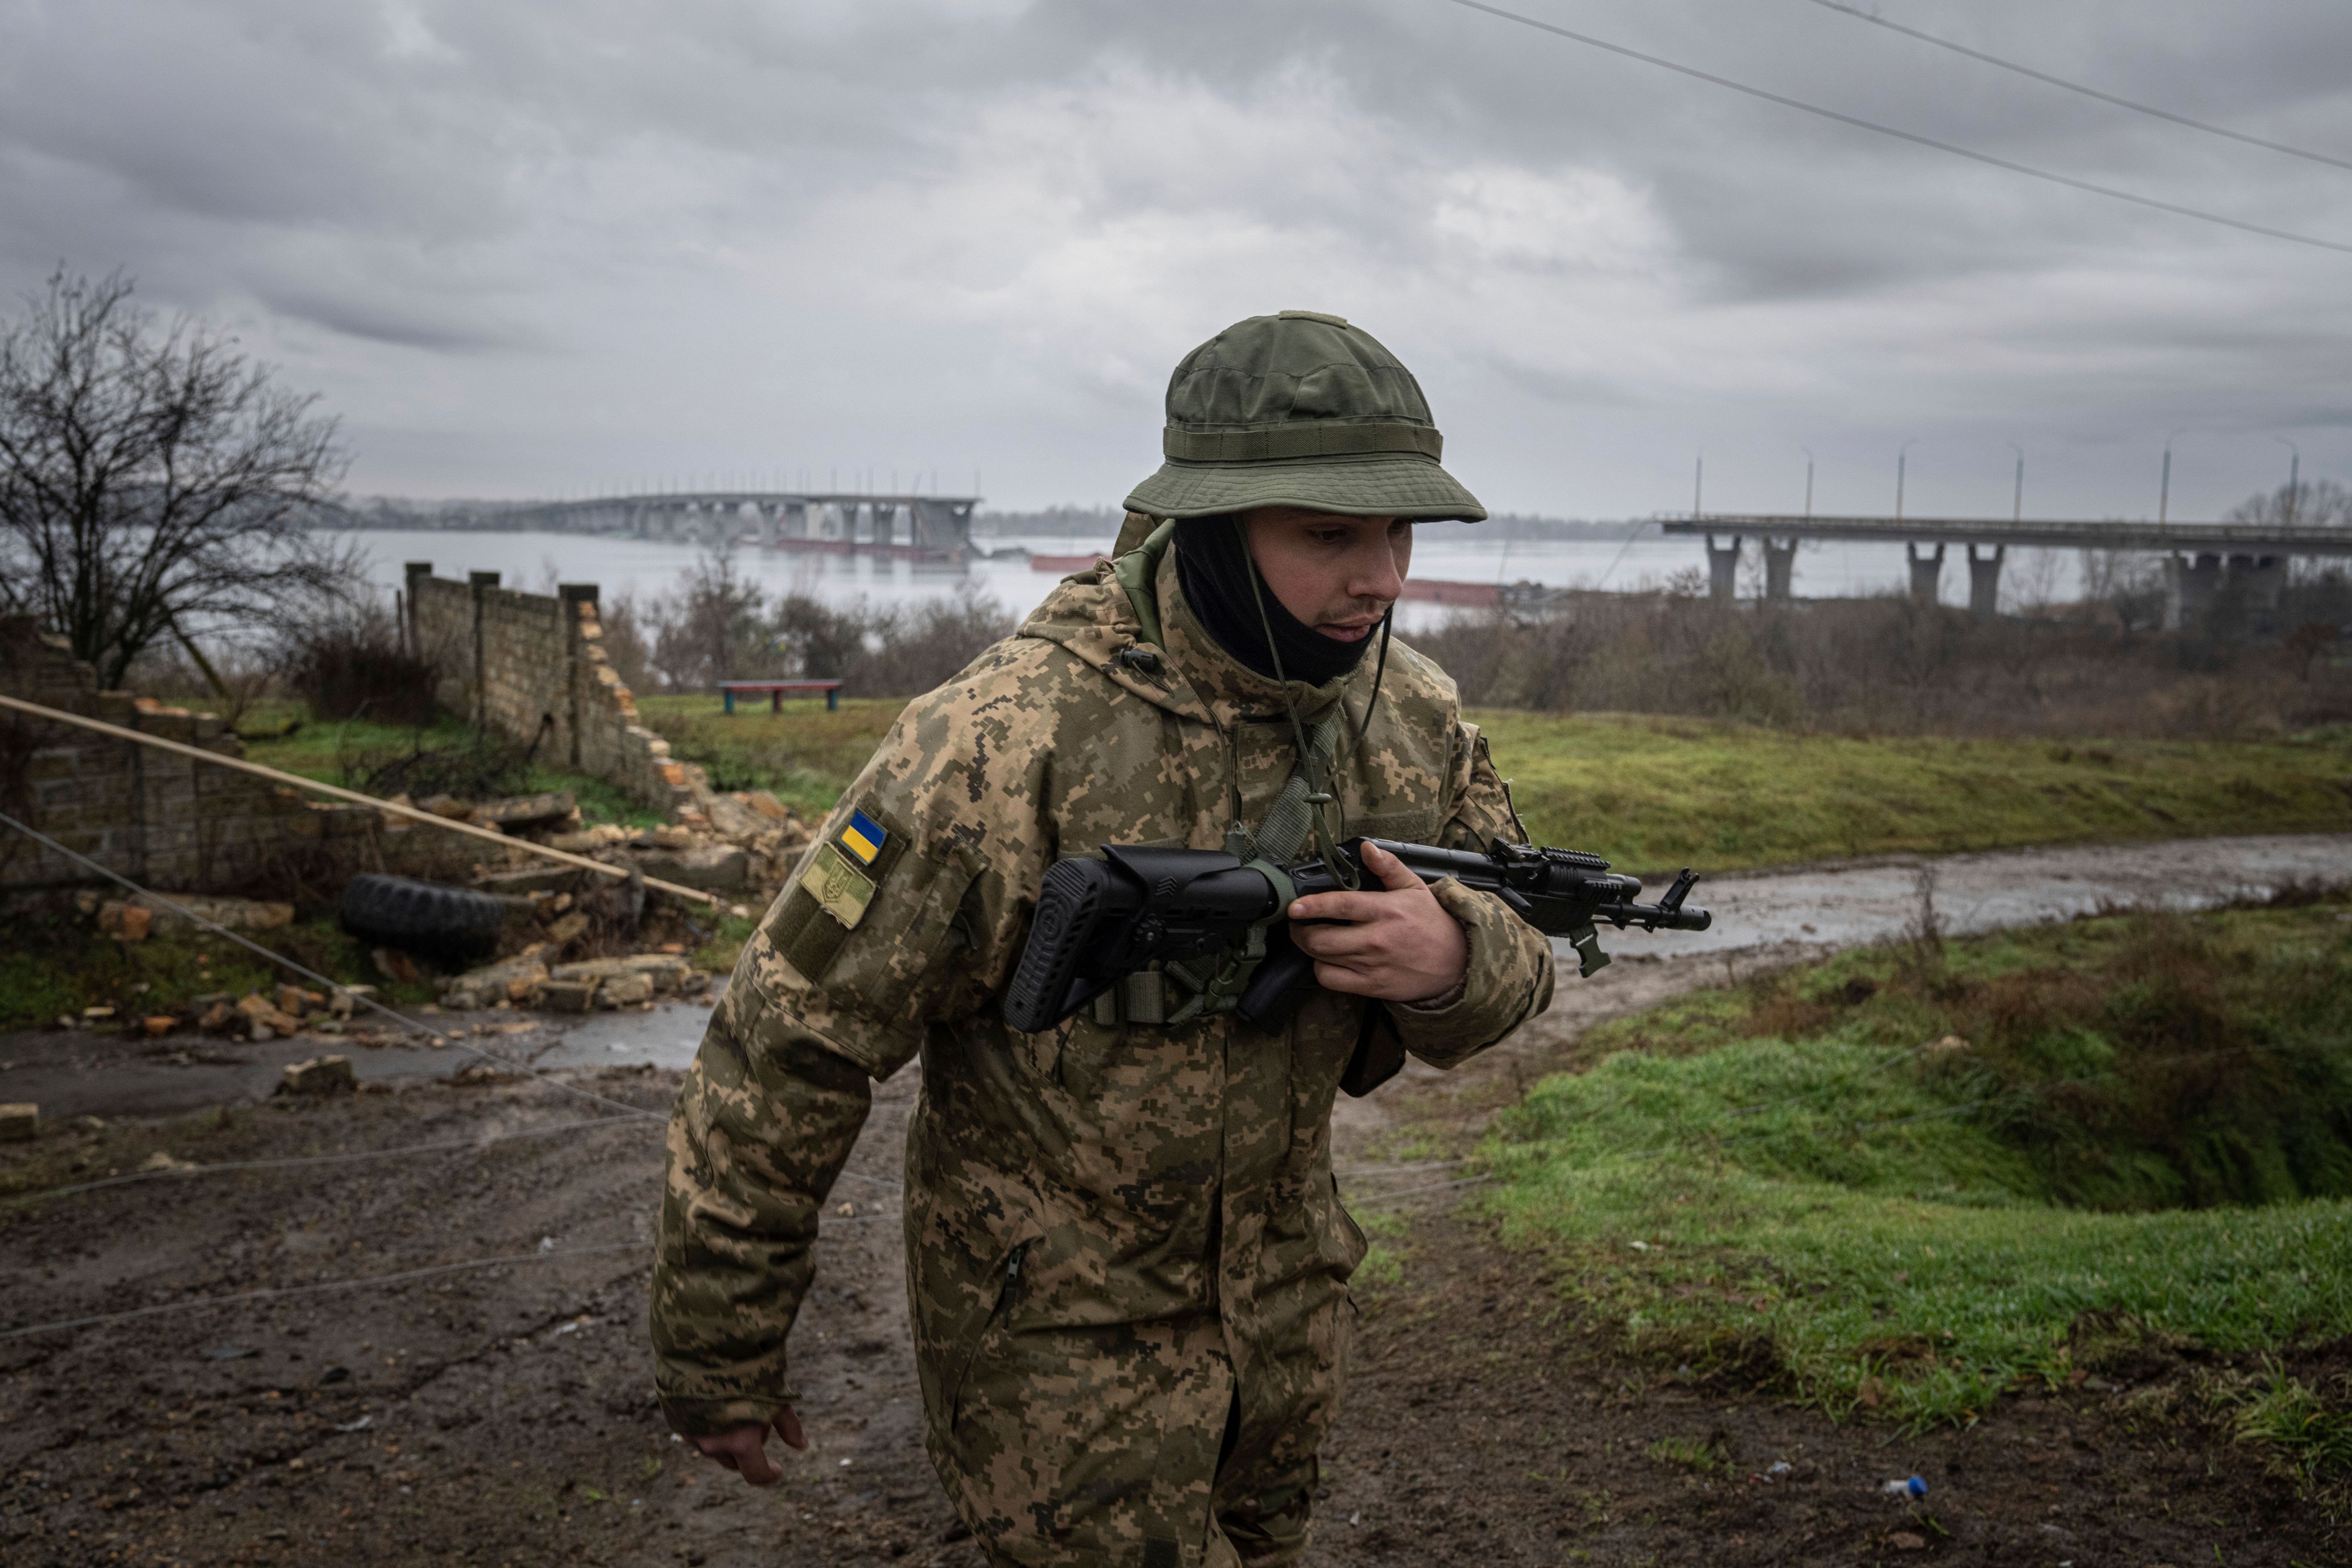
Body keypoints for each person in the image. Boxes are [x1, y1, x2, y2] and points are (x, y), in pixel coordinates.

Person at [651, 309, 1556, 1567]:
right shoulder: (997, 740)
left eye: (1400, 530)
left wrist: (1456, 959)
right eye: (1331, 535)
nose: (1384, 576)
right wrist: (720, 1352)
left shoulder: (1407, 718)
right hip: (1054, 1363)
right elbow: (785, 1040)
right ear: (1211, 525)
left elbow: (1521, 936)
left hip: (1286, 1334)